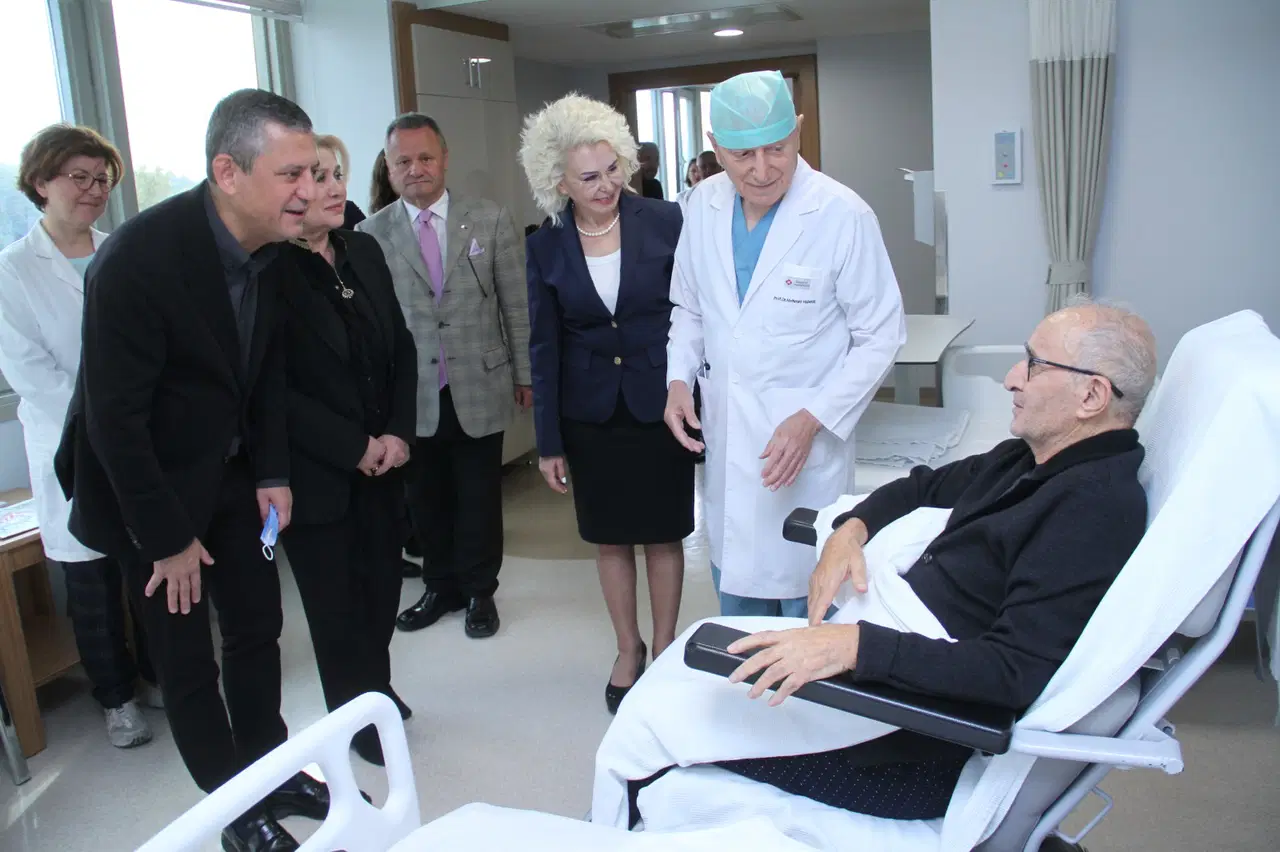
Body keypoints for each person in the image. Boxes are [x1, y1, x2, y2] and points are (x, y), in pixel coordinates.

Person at [605, 301, 1158, 825]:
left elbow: (1010, 672)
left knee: (655, 728)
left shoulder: (1092, 508)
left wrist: (852, 647)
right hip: (889, 677)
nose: (1013, 378)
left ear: (1092, 395)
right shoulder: (1030, 459)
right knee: (677, 674)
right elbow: (923, 487)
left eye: (1035, 365)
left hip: (906, 743)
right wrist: (849, 530)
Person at [54, 89, 328, 852]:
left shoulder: (272, 252)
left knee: (258, 627)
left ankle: (269, 769)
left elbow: (264, 373)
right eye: (290, 175)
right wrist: (169, 540)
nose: (308, 191)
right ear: (228, 172)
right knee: (186, 659)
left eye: (312, 172)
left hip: (234, 479)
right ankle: (233, 812)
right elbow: (114, 424)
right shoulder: (138, 261)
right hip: (147, 495)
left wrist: (272, 472)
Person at [663, 70, 905, 618]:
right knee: (739, 613)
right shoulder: (701, 206)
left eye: (777, 148)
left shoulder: (842, 214)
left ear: (797, 130)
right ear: (715, 147)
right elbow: (689, 309)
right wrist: (678, 380)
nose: (762, 169)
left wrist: (812, 418)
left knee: (809, 606)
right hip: (730, 442)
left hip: (805, 448)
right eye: (742, 155)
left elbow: (881, 335)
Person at [520, 95, 696, 715]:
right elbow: (544, 346)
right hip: (589, 412)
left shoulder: (666, 220)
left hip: (660, 401)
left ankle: (667, 647)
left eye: (613, 169)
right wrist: (547, 441)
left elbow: (692, 311)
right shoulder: (545, 245)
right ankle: (629, 648)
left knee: (664, 533)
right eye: (588, 177)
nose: (606, 186)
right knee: (611, 538)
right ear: (559, 182)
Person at [0, 124, 160, 749]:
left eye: (103, 180)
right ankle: (116, 699)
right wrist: (101, 420)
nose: (94, 190)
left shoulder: (123, 252)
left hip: (137, 438)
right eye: (79, 178)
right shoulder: (12, 270)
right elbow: (29, 370)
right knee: (91, 582)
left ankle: (158, 676)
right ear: (41, 182)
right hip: (67, 445)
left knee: (147, 568)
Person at [357, 113, 532, 639]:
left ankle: (480, 591)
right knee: (425, 499)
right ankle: (440, 586)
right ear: (389, 168)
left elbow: (516, 305)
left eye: (425, 158)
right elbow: (369, 327)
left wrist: (526, 375)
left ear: (444, 159)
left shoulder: (489, 219)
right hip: (411, 395)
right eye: (403, 161)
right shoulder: (369, 235)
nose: (416, 169)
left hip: (479, 381)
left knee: (479, 497)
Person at [278, 134, 418, 766]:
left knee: (382, 586)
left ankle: (376, 688)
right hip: (318, 472)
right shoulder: (270, 269)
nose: (335, 188)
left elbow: (401, 347)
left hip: (384, 459)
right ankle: (351, 714)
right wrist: (351, 445)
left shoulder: (362, 249)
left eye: (339, 174)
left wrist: (398, 433)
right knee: (336, 604)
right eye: (319, 176)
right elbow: (273, 388)